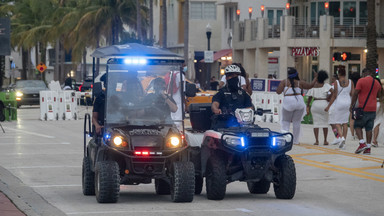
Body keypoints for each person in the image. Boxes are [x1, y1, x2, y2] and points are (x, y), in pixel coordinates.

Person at [276, 67, 317, 145]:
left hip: (288, 102)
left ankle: (285, 139)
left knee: (285, 121)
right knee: (297, 122)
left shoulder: (284, 82)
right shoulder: (300, 82)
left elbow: (278, 92)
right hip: (299, 102)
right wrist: (315, 78)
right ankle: (295, 141)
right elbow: (310, 86)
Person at [350, 68, 382, 155]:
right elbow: (379, 95)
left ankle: (361, 142)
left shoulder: (361, 81)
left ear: (364, 73)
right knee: (369, 128)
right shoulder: (376, 82)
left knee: (357, 125)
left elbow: (356, 93)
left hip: (362, 108)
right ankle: (368, 148)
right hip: (373, 108)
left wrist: (352, 105)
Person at [325, 68, 354, 149]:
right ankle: (344, 141)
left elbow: (334, 95)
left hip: (339, 103)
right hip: (348, 102)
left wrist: (328, 106)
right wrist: (352, 104)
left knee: (337, 123)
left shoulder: (336, 82)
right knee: (345, 123)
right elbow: (352, 93)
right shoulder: (350, 82)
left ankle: (341, 138)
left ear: (338, 74)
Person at [306, 70, 332, 145]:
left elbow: (310, 97)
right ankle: (325, 140)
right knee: (325, 123)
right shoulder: (326, 85)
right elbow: (334, 92)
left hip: (315, 104)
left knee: (316, 123)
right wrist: (328, 97)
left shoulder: (313, 86)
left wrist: (308, 105)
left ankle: (316, 140)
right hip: (324, 103)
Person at [349, 72, 361, 140]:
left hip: (352, 100)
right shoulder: (360, 82)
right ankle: (357, 133)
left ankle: (352, 134)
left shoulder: (351, 84)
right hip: (359, 100)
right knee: (358, 117)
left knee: (351, 118)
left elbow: (351, 93)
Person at [372, 79, 384, 147]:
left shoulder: (372, 87)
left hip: (372, 104)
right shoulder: (381, 89)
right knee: (378, 122)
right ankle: (374, 140)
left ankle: (372, 139)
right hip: (380, 104)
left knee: (373, 121)